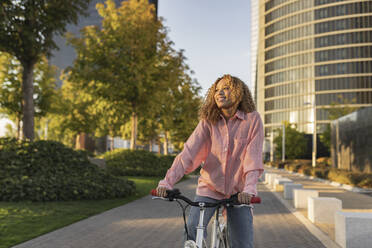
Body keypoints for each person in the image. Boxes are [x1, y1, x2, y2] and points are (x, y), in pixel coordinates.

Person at [156, 74, 264, 248]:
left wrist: (249, 190)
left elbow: (253, 158)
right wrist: (166, 183)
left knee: (243, 243)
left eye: (226, 88)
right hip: (210, 189)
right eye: (216, 90)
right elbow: (188, 153)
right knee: (192, 229)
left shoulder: (252, 119)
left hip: (239, 193)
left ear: (238, 93)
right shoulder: (208, 121)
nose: (219, 93)